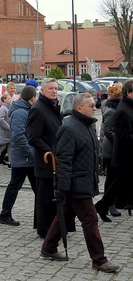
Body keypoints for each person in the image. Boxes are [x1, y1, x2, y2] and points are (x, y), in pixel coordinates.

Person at [40, 94, 120, 274]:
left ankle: (49, 247)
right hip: (76, 183)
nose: (95, 108)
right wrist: (62, 187)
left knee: (66, 214)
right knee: (90, 218)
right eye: (91, 105)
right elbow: (63, 160)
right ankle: (99, 259)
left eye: (95, 105)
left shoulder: (88, 125)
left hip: (84, 180)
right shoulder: (68, 128)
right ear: (79, 108)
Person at [27, 77, 62, 239]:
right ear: (43, 90)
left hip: (56, 160)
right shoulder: (38, 109)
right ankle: (44, 229)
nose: (54, 91)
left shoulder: (53, 106)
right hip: (46, 160)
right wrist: (49, 151)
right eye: (51, 88)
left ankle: (54, 227)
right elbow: (33, 137)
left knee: (52, 196)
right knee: (45, 197)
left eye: (56, 88)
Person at [0, 85, 37, 226]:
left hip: (26, 157)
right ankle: (5, 215)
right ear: (32, 98)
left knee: (37, 188)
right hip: (23, 157)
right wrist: (30, 153)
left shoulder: (25, 109)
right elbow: (18, 136)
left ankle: (41, 216)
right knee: (15, 186)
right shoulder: (21, 112)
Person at [96, 79, 133, 221]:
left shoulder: (127, 107)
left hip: (127, 155)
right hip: (125, 156)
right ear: (129, 93)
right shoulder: (123, 110)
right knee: (118, 183)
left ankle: (103, 205)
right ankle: (102, 205)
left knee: (119, 183)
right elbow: (124, 137)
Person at [94, 83, 123, 221]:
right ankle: (108, 204)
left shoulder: (117, 107)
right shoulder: (111, 109)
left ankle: (113, 202)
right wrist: (119, 143)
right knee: (111, 177)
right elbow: (109, 131)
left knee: (115, 177)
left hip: (113, 148)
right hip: (110, 149)